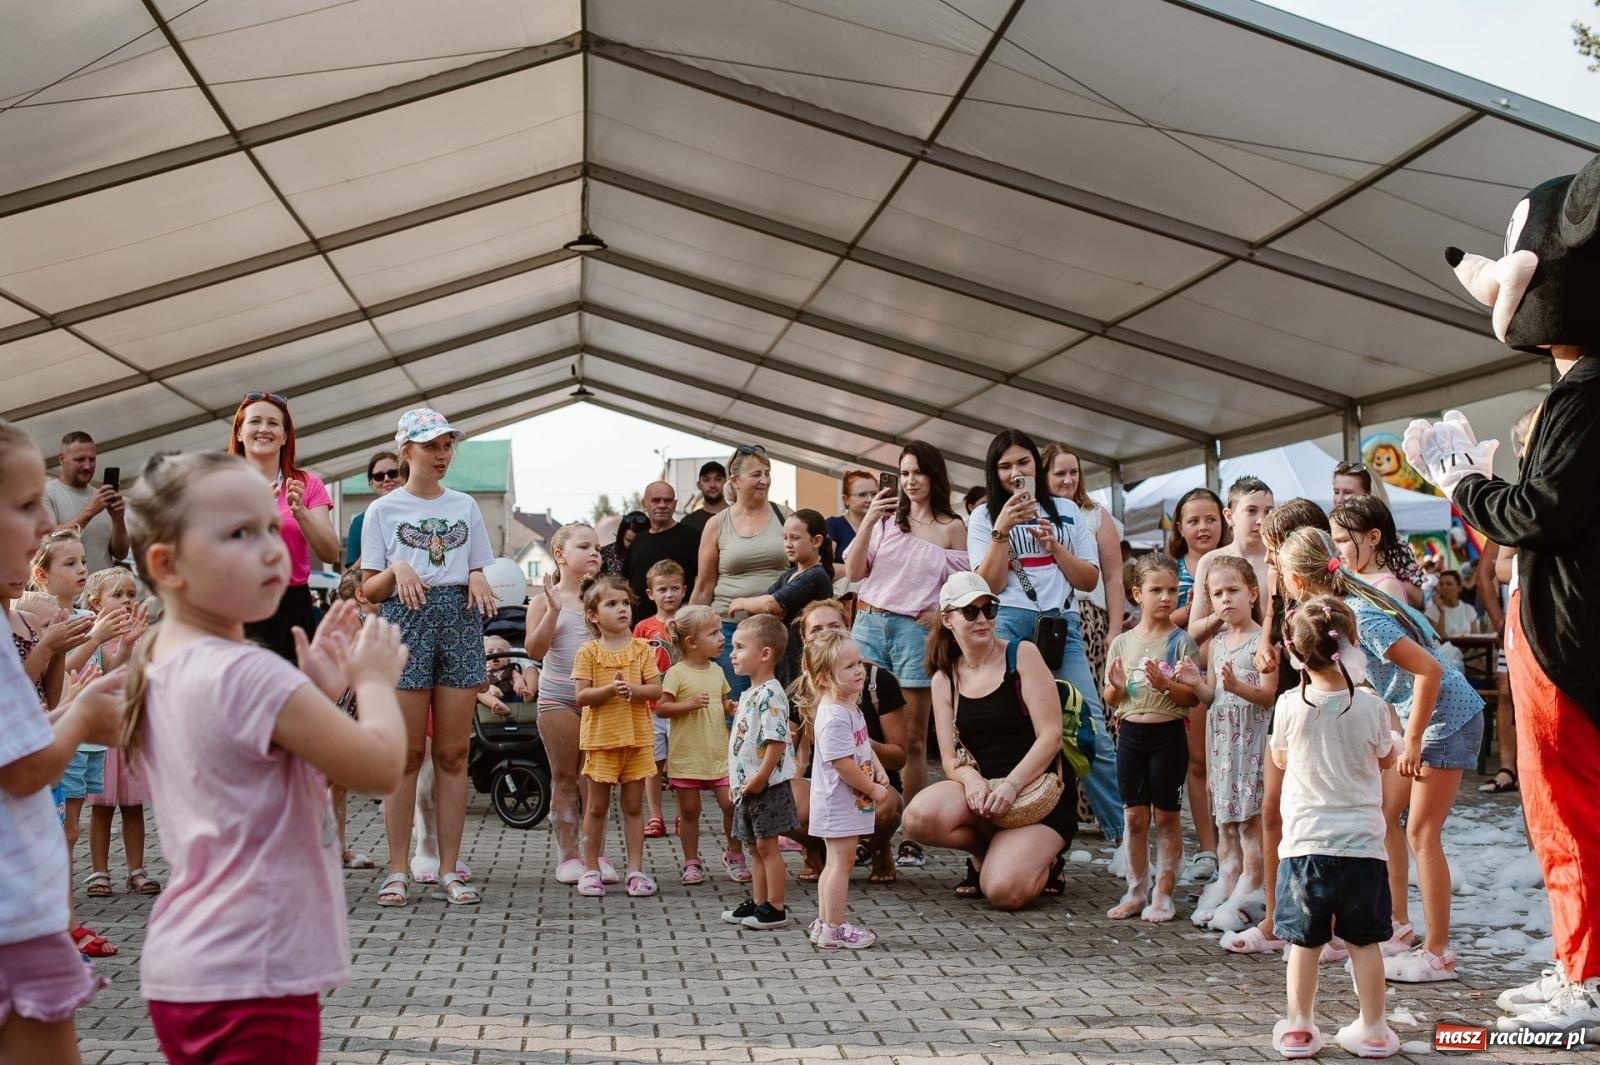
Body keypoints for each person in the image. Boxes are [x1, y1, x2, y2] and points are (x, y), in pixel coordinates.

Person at [114, 449, 407, 1065]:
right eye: (241, 533)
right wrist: (373, 679)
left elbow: (253, 753)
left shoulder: (165, 655)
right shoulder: (248, 673)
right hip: (255, 972)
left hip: (196, 966)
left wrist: (317, 691)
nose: (273, 547)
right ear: (168, 564)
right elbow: (380, 767)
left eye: (273, 526)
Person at [1277, 527, 1483, 981]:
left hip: (1448, 717)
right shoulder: (1344, 609)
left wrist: (1410, 740)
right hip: (1427, 717)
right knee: (1384, 816)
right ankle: (1397, 926)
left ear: (1295, 580)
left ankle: (1438, 951)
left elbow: (1428, 670)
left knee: (1422, 833)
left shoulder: (1363, 616)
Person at [0, 421, 123, 1065]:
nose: (44, 526)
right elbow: (21, 770)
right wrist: (84, 717)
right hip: (14, 920)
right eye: (25, 508)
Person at [361, 408, 497, 908]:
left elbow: (478, 562)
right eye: (432, 446)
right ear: (407, 451)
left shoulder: (464, 505)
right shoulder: (383, 510)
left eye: (447, 446)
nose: (443, 455)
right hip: (405, 619)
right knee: (406, 755)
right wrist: (397, 567)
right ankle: (397, 870)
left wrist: (479, 574)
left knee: (453, 754)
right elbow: (368, 590)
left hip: (458, 619)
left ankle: (449, 869)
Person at [966, 430, 1121, 849]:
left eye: (1023, 463)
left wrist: (1055, 548)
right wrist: (1001, 529)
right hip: (1009, 626)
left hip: (1061, 625)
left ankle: (1122, 834)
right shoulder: (982, 517)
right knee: (1013, 728)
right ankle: (1009, 825)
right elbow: (989, 585)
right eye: (1004, 466)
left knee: (1090, 729)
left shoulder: (1069, 511)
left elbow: (1089, 578)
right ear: (993, 472)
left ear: (1037, 464)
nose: (1015, 473)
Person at [1268, 595, 1400, 1060]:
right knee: (1364, 943)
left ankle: (1300, 1027)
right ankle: (1376, 1029)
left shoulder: (1289, 704)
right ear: (1352, 644)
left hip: (1306, 844)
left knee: (1304, 944)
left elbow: (1280, 759)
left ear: (1296, 654)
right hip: (1363, 846)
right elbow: (1387, 758)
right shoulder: (1371, 706)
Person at [902, 572, 1072, 911]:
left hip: (1036, 792)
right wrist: (971, 779)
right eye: (970, 612)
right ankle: (986, 851)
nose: (983, 619)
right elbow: (949, 759)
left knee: (1003, 892)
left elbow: (1051, 736)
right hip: (986, 795)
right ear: (948, 619)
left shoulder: (1022, 655)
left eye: (989, 609)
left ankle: (1046, 862)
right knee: (916, 818)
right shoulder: (944, 677)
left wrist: (1011, 786)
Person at [843, 441, 966, 871]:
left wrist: (938, 615)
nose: (910, 481)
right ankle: (859, 828)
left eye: (918, 472)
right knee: (856, 728)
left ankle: (911, 834)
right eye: (904, 472)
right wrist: (868, 522)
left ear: (934, 475)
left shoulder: (953, 526)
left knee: (913, 738)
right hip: (870, 623)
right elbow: (855, 574)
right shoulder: (884, 520)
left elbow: (960, 587)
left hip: (915, 633)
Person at [1224, 498, 1330, 956]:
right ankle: (1273, 918)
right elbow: (1272, 612)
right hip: (1287, 703)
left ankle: (1324, 923)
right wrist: (1266, 642)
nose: (1266, 558)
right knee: (1272, 811)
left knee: (1318, 819)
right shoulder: (1278, 579)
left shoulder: (1331, 595)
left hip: (1324, 711)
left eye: (1273, 549)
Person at [1176, 557, 1275, 932]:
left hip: (1249, 746)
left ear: (1252, 592)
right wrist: (1194, 681)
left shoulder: (1260, 642)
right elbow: (1213, 696)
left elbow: (1268, 696)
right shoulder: (1216, 643)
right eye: (1217, 594)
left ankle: (1251, 887)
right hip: (1223, 747)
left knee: (1250, 823)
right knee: (1227, 825)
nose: (1225, 600)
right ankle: (1228, 882)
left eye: (1233, 591)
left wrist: (1239, 688)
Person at [1102, 554, 1200, 923]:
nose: (1165, 597)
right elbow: (1112, 700)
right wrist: (1115, 687)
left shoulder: (1181, 642)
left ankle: (1164, 892)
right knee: (1135, 817)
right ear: (1136, 594)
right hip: (1130, 735)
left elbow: (1190, 698)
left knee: (1168, 816)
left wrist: (1167, 685)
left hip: (1168, 735)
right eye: (1156, 590)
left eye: (1172, 590)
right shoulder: (1123, 643)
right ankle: (1135, 890)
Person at [1186, 477, 1273, 883]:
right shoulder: (1212, 561)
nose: (1260, 520)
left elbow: (1275, 624)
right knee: (1211, 769)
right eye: (1251, 511)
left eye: (1267, 511)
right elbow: (1195, 631)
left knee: (1258, 786)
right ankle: (1217, 859)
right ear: (1231, 515)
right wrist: (1219, 622)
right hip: (1219, 670)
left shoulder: (1275, 559)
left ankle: (1259, 876)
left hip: (1264, 673)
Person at [788, 599, 906, 885]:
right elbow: (787, 749)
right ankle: (814, 848)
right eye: (816, 630)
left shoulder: (875, 681)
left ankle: (878, 847)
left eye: (834, 626)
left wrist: (861, 744)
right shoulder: (801, 689)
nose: (826, 634)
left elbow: (900, 756)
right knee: (775, 800)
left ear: (848, 630)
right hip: (828, 784)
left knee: (884, 805)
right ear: (805, 640)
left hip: (871, 780)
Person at [227, 393, 341, 660]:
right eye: (255, 421)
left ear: (285, 436)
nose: (264, 429)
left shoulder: (307, 483)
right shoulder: (222, 484)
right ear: (240, 433)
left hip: (292, 603)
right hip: (237, 600)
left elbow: (330, 552)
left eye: (273, 423)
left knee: (292, 696)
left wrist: (300, 512)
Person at [571, 574, 662, 898]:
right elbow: (581, 696)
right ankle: (591, 868)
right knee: (596, 808)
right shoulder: (588, 652)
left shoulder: (641, 650)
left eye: (625, 603)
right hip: (601, 741)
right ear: (594, 616)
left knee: (634, 807)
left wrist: (633, 690)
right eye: (612, 604)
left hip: (637, 741)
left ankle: (635, 871)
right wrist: (610, 690)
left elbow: (656, 689)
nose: (622, 609)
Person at [796, 628, 887, 949]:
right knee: (839, 864)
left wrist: (878, 769)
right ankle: (834, 927)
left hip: (848, 800)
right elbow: (843, 764)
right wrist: (873, 790)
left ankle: (825, 924)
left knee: (836, 863)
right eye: (849, 666)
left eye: (859, 662)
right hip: (840, 802)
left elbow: (862, 745)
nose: (859, 670)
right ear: (823, 679)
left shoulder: (848, 705)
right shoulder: (834, 715)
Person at [524, 523, 603, 885]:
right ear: (559, 555)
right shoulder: (542, 600)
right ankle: (568, 853)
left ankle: (595, 855)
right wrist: (555, 610)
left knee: (595, 780)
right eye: (584, 546)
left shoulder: (603, 598)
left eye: (598, 548)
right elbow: (534, 651)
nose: (594, 553)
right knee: (565, 777)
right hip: (558, 698)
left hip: (599, 700)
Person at [720, 614, 801, 931]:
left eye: (740, 647)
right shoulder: (752, 693)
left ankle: (776, 906)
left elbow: (777, 741)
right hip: (748, 787)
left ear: (765, 654)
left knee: (767, 847)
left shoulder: (771, 694)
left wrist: (759, 778)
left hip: (766, 787)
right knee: (753, 846)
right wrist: (738, 781)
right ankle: (758, 901)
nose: (732, 653)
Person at [79, 568, 156, 897]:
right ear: (96, 603)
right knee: (102, 806)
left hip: (131, 729)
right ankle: (99, 870)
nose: (127, 600)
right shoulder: (90, 638)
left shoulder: (141, 635)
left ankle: (136, 869)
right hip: (103, 732)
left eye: (131, 594)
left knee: (133, 805)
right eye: (118, 595)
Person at [691, 446, 789, 701]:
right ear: (735, 481)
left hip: (778, 630)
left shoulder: (786, 517)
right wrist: (687, 632)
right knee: (734, 710)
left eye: (768, 473)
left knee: (780, 709)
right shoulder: (716, 524)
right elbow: (704, 586)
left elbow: (805, 569)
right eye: (757, 474)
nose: (765, 480)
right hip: (730, 632)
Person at [655, 605, 743, 886]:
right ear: (692, 642)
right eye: (714, 633)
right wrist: (689, 705)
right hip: (687, 757)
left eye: (720, 632)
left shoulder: (717, 671)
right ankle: (691, 861)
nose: (722, 638)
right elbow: (662, 708)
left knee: (731, 805)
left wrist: (730, 708)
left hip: (718, 754)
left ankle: (735, 854)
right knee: (690, 812)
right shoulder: (676, 673)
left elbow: (723, 703)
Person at [728, 509, 835, 685]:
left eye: (795, 538)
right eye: (785, 538)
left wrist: (743, 602)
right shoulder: (789, 574)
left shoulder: (816, 576)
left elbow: (770, 604)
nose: (788, 544)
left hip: (804, 659)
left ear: (816, 541)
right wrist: (764, 607)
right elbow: (761, 609)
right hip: (785, 658)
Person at [634, 559, 686, 837]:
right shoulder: (643, 628)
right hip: (651, 708)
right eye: (662, 589)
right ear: (650, 594)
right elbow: (635, 662)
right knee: (653, 765)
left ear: (684, 590)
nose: (669, 594)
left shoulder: (688, 623)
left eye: (674, 588)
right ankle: (655, 816)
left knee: (679, 765)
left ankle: (683, 816)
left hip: (679, 707)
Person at [1330, 461, 1424, 608]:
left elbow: (1416, 598)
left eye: (1348, 492)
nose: (1340, 499)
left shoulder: (1394, 545)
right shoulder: (1327, 536)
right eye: (1336, 491)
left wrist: (1377, 581)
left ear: (1368, 494)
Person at [42, 431, 128, 574]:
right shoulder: (46, 493)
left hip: (102, 592)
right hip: (65, 595)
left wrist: (118, 519)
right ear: (61, 459)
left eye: (92, 459)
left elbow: (121, 554)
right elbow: (48, 541)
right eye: (80, 459)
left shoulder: (101, 496)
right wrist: (90, 511)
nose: (87, 466)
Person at [623, 482, 701, 621]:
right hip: (640, 628)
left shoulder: (693, 538)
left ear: (675, 504)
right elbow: (626, 582)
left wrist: (691, 611)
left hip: (679, 626)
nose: (662, 505)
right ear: (644, 503)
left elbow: (703, 580)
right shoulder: (637, 542)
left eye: (668, 500)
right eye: (656, 500)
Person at [1329, 496, 1413, 605]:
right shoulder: (1351, 576)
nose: (1336, 548)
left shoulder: (1386, 587)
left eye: (1343, 540)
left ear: (1373, 538)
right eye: (1334, 541)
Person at [1167, 487, 1229, 630]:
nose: (1203, 527)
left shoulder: (1237, 566)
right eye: (1194, 521)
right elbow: (1158, 624)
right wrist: (1189, 610)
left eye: (1211, 519)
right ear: (1180, 528)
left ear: (1223, 522)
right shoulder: (1171, 570)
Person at [344, 452, 402, 567]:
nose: (386, 479)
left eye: (393, 473)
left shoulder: (418, 513)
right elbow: (352, 575)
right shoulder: (360, 522)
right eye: (379, 476)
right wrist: (370, 553)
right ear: (371, 483)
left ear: (404, 475)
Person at [826, 470, 877, 561]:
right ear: (846, 499)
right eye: (862, 494)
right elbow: (825, 567)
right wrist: (864, 570)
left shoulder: (885, 526)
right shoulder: (833, 525)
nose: (870, 499)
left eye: (874, 494)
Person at [680, 461, 729, 536]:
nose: (712, 485)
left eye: (718, 479)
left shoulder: (739, 517)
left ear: (726, 483)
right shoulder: (687, 522)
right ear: (699, 485)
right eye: (706, 480)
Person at [602, 511, 649, 578]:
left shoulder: (652, 553)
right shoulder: (606, 553)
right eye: (628, 540)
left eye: (637, 541)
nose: (632, 545)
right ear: (621, 536)